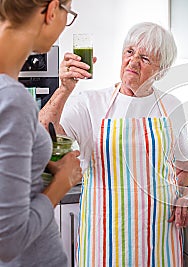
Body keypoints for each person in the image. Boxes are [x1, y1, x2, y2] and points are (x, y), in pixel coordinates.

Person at [39, 22, 188, 266]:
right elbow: (43, 135)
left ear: (162, 70)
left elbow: (186, 170)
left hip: (158, 241)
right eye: (129, 52)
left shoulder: (172, 106)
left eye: (145, 58)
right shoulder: (90, 102)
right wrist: (64, 89)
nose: (133, 62)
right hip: (104, 241)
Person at [0, 0, 82, 266]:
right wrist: (63, 182)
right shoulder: (12, 98)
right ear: (51, 10)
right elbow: (8, 241)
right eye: (67, 14)